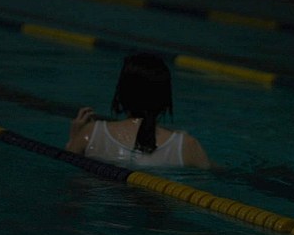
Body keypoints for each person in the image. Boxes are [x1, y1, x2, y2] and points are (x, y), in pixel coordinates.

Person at [65, 53, 211, 169]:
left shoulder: (91, 134)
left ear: (121, 94)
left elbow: (67, 171)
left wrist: (74, 138)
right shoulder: (185, 146)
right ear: (165, 99)